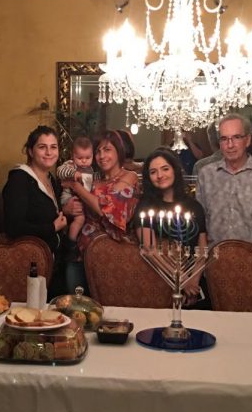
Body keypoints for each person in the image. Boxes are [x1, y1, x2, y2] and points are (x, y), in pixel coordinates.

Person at [196, 113, 252, 260]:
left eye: (236, 137)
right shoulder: (206, 174)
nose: (230, 145)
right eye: (224, 139)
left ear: (247, 140)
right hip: (213, 260)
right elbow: (199, 221)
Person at [67, 130, 140, 291]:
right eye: (98, 151)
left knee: (109, 308)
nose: (101, 156)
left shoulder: (129, 176)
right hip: (81, 251)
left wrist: (75, 186)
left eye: (107, 150)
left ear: (118, 151)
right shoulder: (94, 177)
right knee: (75, 305)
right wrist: (69, 207)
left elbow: (105, 209)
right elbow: (73, 203)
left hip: (112, 253)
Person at [137, 148, 208, 304]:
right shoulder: (145, 207)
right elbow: (150, 249)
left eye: (165, 169)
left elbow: (202, 249)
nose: (160, 175)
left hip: (194, 283)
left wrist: (193, 282)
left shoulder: (194, 206)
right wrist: (181, 280)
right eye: (153, 172)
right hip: (161, 282)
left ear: (175, 170)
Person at [3, 125, 67, 257]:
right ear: (31, 151)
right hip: (28, 259)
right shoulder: (19, 180)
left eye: (53, 147)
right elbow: (13, 227)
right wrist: (52, 228)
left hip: (50, 258)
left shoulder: (51, 179)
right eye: (42, 147)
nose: (49, 152)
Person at [55, 136, 94, 255]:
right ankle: (70, 243)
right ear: (72, 156)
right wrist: (73, 173)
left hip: (82, 199)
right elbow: (59, 171)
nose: (84, 161)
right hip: (69, 197)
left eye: (88, 157)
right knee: (80, 218)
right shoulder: (71, 165)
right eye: (80, 157)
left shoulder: (90, 170)